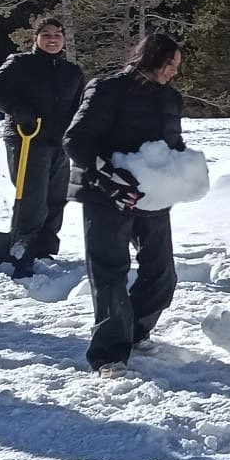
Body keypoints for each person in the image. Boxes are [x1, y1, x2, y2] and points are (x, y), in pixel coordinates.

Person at [64, 33, 186, 376]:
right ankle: (109, 354)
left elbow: (173, 143)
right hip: (105, 195)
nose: (174, 71)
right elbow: (77, 140)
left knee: (162, 273)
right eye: (170, 63)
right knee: (110, 272)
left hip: (152, 195)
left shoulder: (171, 98)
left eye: (177, 65)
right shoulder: (107, 89)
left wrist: (186, 168)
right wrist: (110, 180)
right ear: (151, 57)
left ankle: (135, 331)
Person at [0, 17, 87, 277]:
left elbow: (80, 106)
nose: (52, 39)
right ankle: (22, 249)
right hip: (27, 139)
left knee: (56, 198)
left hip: (59, 142)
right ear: (35, 38)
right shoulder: (20, 63)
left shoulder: (71, 71)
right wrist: (16, 109)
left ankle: (45, 250)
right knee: (33, 198)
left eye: (57, 34)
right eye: (46, 34)